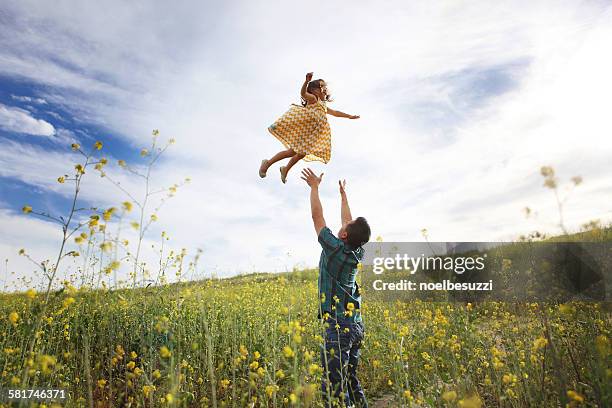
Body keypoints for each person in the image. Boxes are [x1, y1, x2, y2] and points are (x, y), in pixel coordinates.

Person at [300, 167, 371, 408]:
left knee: (334, 387)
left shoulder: (335, 249)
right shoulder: (357, 250)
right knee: (350, 379)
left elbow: (316, 218)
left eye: (346, 226)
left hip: (339, 328)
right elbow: (347, 222)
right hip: (356, 326)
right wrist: (343, 196)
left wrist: (314, 187)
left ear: (343, 236)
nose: (344, 223)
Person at [259, 72, 360, 183]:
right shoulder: (313, 99)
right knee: (292, 152)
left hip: (313, 134)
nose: (324, 89)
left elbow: (335, 112)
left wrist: (349, 116)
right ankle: (267, 163)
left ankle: (285, 169)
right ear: (313, 90)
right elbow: (303, 94)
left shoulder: (323, 105)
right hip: (305, 130)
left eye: (324, 87)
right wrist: (306, 82)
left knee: (301, 154)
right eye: (321, 87)